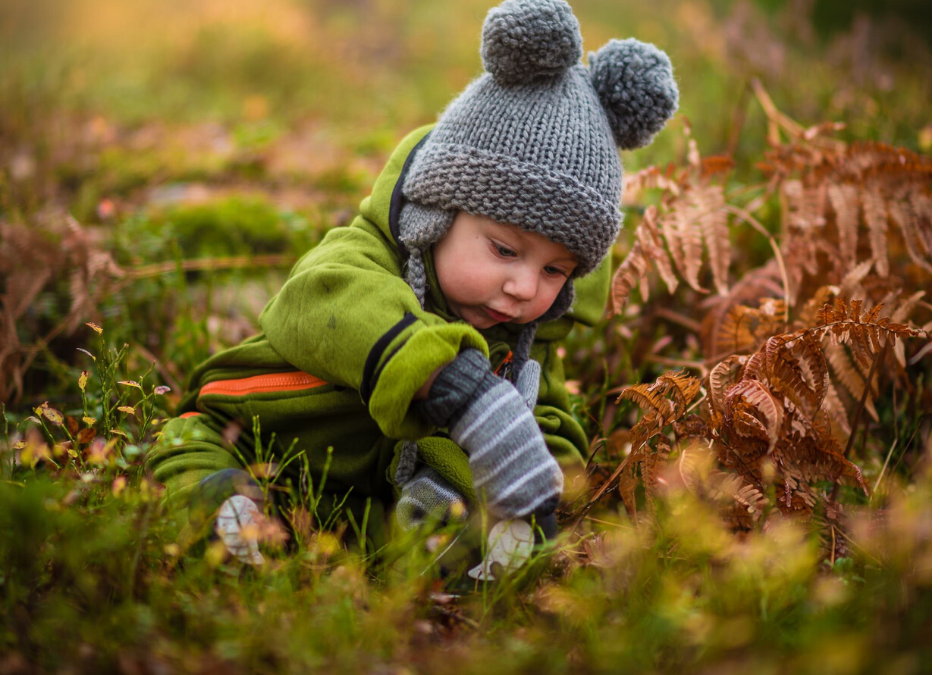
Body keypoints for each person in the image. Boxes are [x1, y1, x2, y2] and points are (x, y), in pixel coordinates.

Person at [146, 0, 678, 568]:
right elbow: (319, 299)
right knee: (191, 453)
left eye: (555, 270)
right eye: (504, 249)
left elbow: (548, 418)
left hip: (361, 495)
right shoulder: (365, 258)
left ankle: (432, 554)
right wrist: (453, 382)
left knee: (437, 525)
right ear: (436, 214)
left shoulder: (528, 335)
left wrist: (532, 483)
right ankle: (225, 516)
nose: (525, 287)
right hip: (255, 433)